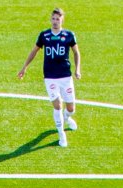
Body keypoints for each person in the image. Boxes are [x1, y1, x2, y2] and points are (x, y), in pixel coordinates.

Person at [17, 7, 82, 148]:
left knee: (71, 108)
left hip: (66, 76)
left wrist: (77, 69)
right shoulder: (44, 35)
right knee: (57, 104)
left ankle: (67, 117)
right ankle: (61, 134)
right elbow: (34, 51)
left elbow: (76, 53)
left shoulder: (69, 35)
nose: (55, 22)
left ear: (62, 20)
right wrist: (24, 67)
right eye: (53, 19)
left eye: (57, 19)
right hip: (50, 77)